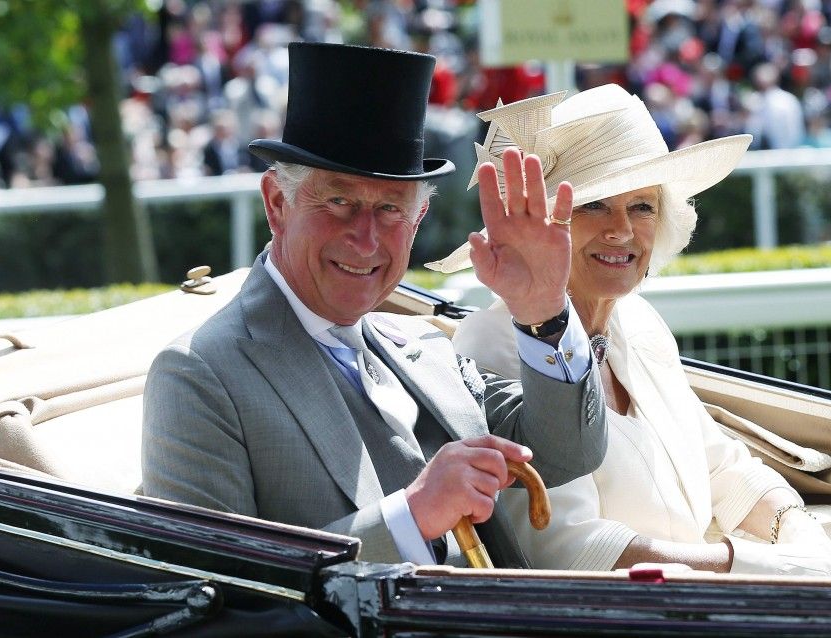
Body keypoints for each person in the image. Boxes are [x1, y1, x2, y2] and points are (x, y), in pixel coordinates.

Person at [141, 42, 606, 568]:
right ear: (277, 204)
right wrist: (410, 517)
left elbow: (569, 453)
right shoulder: (201, 375)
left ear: (419, 218)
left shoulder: (424, 346)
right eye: (338, 202)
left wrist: (543, 310)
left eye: (390, 208)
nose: (365, 240)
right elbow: (214, 584)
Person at [428, 84, 831, 577]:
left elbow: (723, 467)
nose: (622, 231)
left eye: (642, 207)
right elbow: (564, 549)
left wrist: (799, 531)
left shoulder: (639, 322)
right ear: (537, 226)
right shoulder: (495, 345)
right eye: (591, 207)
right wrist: (757, 568)